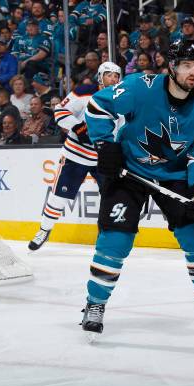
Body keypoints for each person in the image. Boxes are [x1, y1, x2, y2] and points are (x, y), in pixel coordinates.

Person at [81, 40, 194, 341]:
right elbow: (97, 106)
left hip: (175, 175)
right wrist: (104, 144)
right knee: (115, 238)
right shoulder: (141, 86)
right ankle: (94, 305)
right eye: (187, 65)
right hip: (130, 171)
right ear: (172, 67)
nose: (193, 72)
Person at [28, 62, 122, 251]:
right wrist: (80, 128)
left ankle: (104, 233)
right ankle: (44, 229)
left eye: (116, 76)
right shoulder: (85, 91)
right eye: (109, 75)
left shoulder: (122, 98)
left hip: (103, 157)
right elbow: (61, 112)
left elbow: (123, 127)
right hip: (75, 154)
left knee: (110, 196)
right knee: (59, 196)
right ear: (100, 76)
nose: (113, 79)